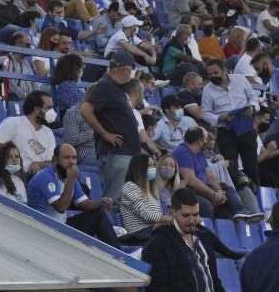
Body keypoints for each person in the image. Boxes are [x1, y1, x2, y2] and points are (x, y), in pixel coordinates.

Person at [142, 188, 236, 292]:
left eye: (196, 215)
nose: (192, 221)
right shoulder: (157, 244)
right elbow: (155, 289)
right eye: (186, 215)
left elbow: (213, 279)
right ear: (171, 212)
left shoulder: (204, 238)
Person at [28, 144, 121, 247]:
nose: (71, 162)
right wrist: (71, 180)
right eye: (66, 157)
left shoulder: (69, 176)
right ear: (55, 160)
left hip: (61, 226)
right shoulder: (46, 176)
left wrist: (102, 201)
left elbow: (85, 204)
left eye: (74, 158)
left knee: (97, 213)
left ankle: (118, 252)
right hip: (44, 230)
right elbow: (61, 207)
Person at [81, 51, 141, 205]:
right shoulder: (105, 85)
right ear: (125, 68)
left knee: (116, 199)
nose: (131, 73)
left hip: (124, 153)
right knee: (111, 200)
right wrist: (105, 134)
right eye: (131, 69)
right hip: (116, 152)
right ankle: (102, 226)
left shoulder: (116, 87)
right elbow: (85, 110)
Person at [173, 127, 257, 219]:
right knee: (207, 206)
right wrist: (212, 194)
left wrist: (220, 192)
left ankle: (241, 214)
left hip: (204, 189)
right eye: (205, 140)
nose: (206, 143)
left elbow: (210, 176)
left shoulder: (199, 154)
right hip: (190, 190)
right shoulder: (183, 152)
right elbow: (191, 181)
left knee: (228, 192)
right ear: (199, 141)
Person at [202, 58, 261, 186]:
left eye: (215, 73)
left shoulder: (240, 79)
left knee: (252, 166)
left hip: (245, 128)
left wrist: (252, 108)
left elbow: (252, 97)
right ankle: (237, 199)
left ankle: (256, 195)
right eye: (210, 74)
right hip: (226, 131)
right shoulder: (207, 90)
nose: (212, 77)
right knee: (229, 167)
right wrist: (220, 118)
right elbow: (205, 114)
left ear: (224, 70)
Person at [0, 90, 57, 176]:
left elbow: (51, 162)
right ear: (37, 110)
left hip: (39, 178)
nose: (53, 112)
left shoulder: (48, 132)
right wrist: (5, 167)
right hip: (15, 177)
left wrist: (38, 164)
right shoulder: (14, 123)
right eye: (49, 108)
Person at [119, 153, 173, 243]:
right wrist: (170, 219)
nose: (153, 168)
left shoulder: (153, 189)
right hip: (139, 234)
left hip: (152, 231)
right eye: (150, 166)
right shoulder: (130, 186)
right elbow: (145, 214)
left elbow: (156, 215)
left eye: (153, 165)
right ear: (140, 168)